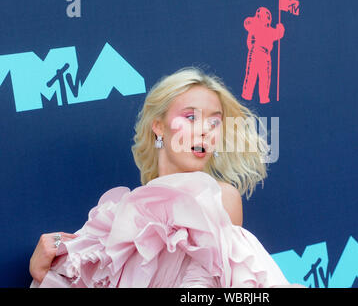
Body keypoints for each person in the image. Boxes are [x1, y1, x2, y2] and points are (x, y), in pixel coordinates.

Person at [29, 67, 303, 288]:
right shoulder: (121, 217)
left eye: (214, 121)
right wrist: (47, 273)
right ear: (158, 127)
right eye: (190, 117)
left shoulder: (221, 198)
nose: (205, 130)